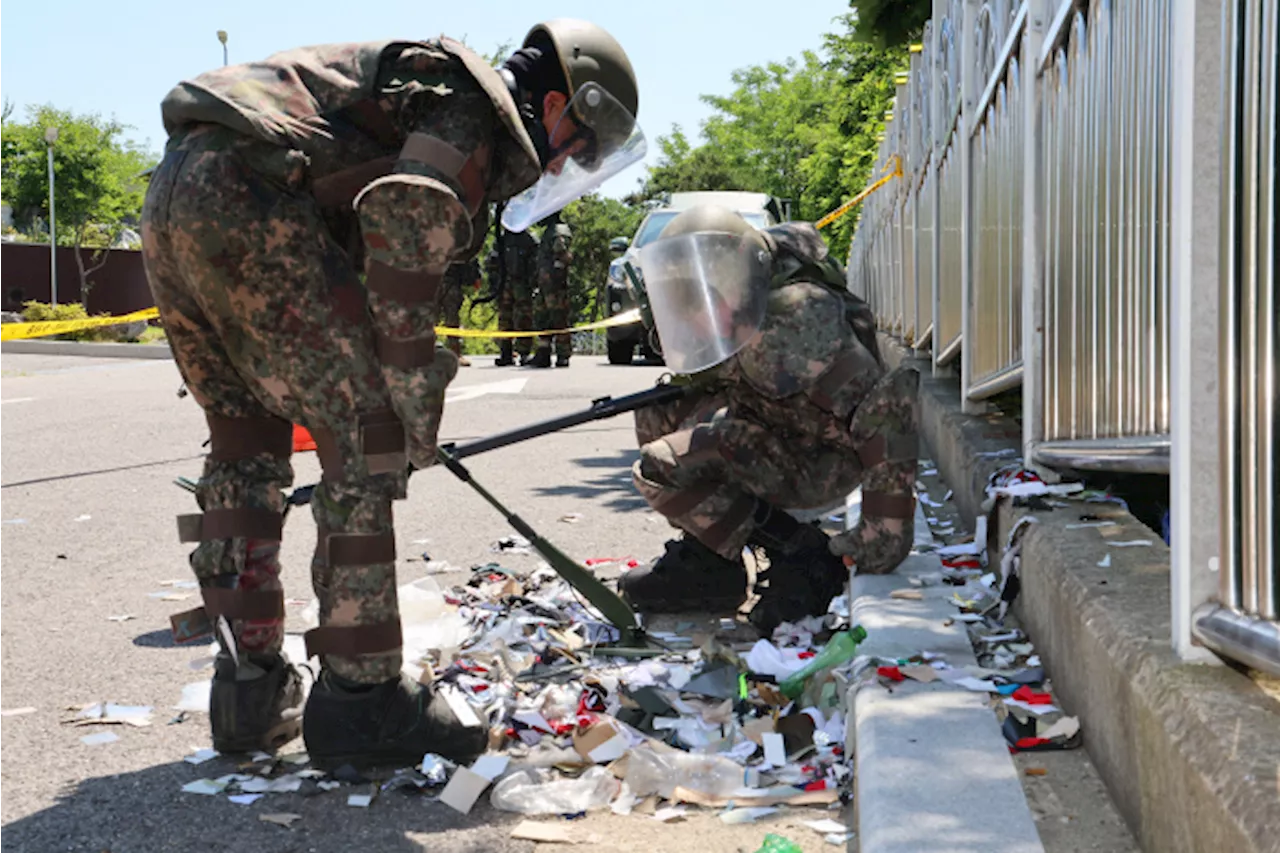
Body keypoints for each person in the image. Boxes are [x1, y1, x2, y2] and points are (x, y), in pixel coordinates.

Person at [139, 20, 643, 768]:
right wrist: (407, 404)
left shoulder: (417, 88)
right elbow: (403, 217)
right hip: (252, 198)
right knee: (367, 441)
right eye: (581, 143)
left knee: (244, 450)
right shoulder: (471, 106)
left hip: (177, 197)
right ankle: (363, 702)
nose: (567, 163)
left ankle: (248, 693)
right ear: (560, 104)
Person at [617, 205, 919, 635]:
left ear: (730, 286)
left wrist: (876, 539)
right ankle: (712, 566)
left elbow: (886, 411)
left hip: (824, 458)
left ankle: (797, 553)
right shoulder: (742, 317)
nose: (689, 317)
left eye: (697, 301)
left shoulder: (794, 325)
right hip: (781, 428)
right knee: (658, 413)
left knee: (663, 463)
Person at [530, 212, 574, 367]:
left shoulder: (558, 231)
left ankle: (563, 355)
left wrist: (556, 278)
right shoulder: (550, 231)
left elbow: (561, 254)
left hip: (554, 285)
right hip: (545, 284)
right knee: (542, 317)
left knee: (558, 318)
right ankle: (543, 353)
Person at [493, 225, 539, 365]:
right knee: (504, 319)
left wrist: (533, 283)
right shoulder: (502, 239)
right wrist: (494, 284)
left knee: (524, 318)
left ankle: (524, 353)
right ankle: (506, 353)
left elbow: (535, 263)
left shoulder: (529, 239)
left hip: (523, 284)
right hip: (505, 283)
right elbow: (493, 262)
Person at [440, 259, 481, 367]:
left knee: (452, 319)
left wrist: (475, 275)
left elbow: (469, 251)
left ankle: (455, 354)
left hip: (451, 280)